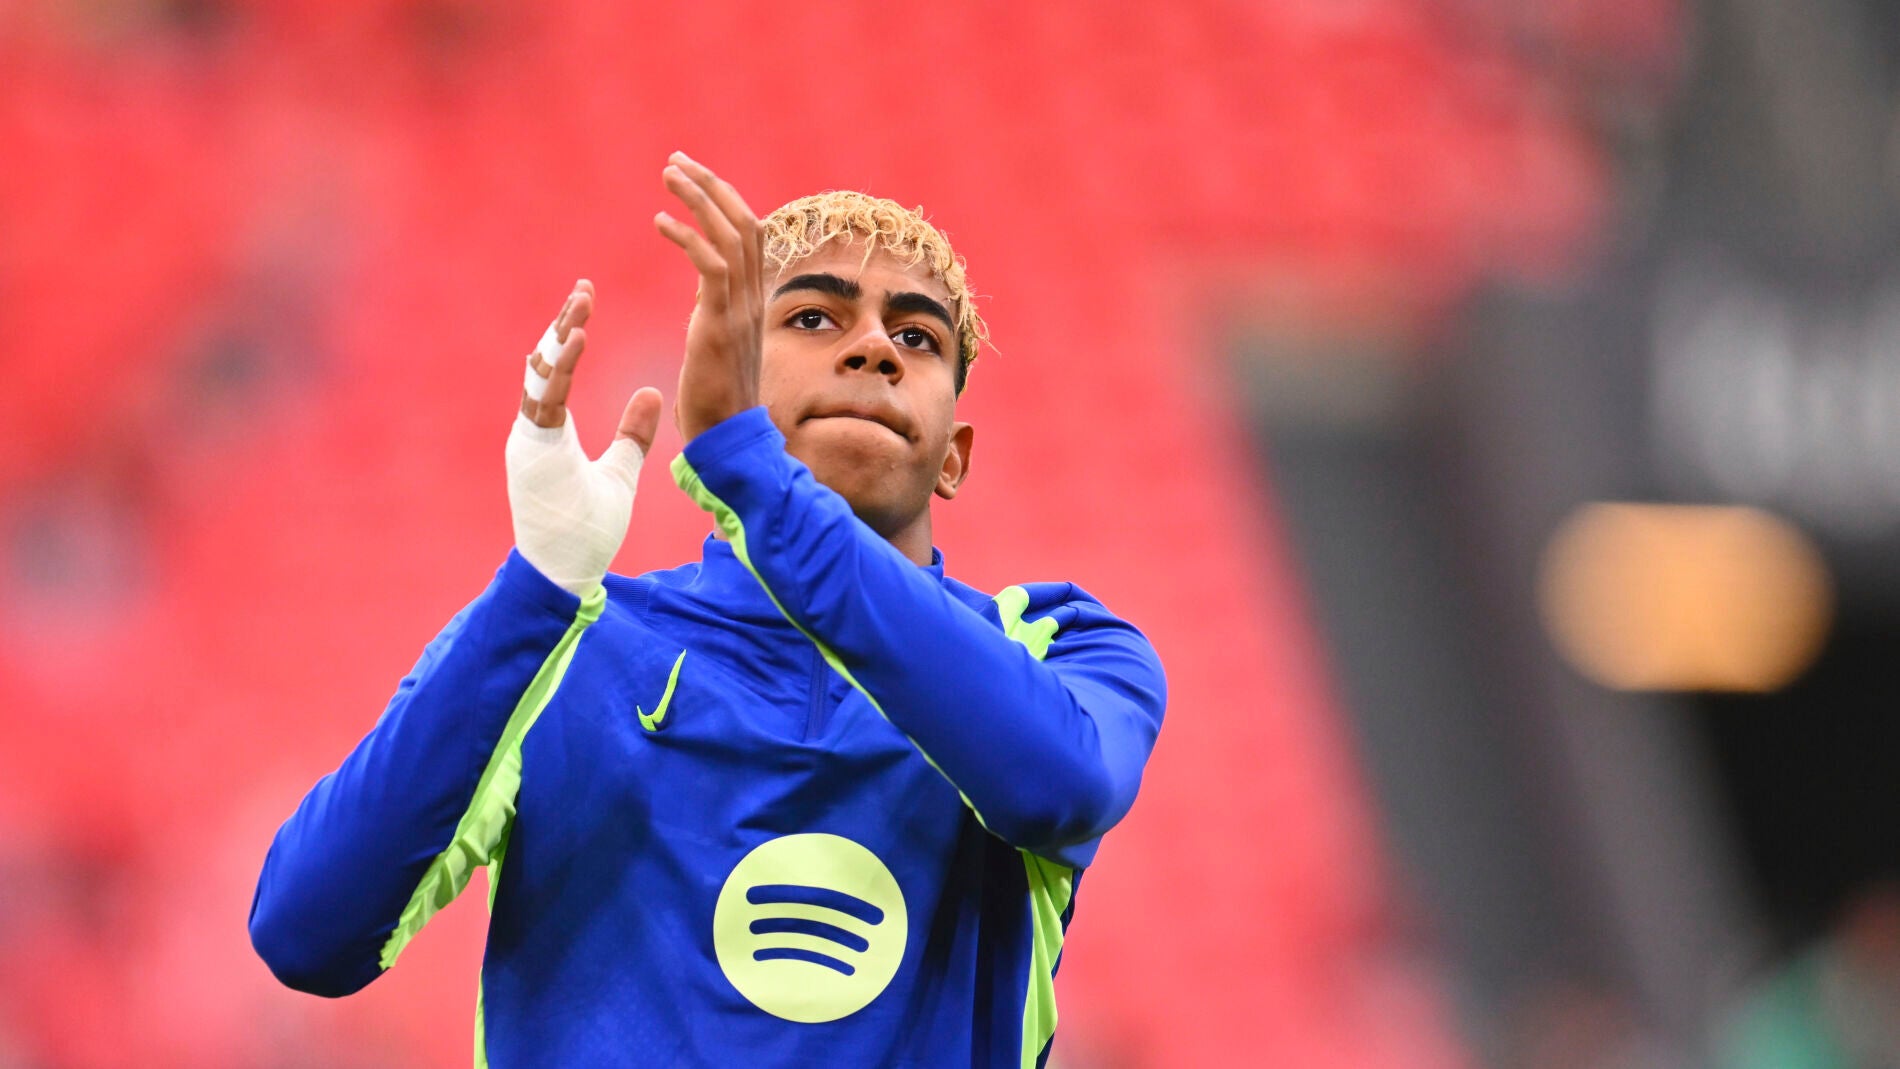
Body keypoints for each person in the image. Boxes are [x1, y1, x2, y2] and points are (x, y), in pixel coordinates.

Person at [249, 151, 1168, 1068]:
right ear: (732, 380)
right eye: (814, 317)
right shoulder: (567, 644)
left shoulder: (1058, 648)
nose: (876, 348)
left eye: (917, 336)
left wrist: (750, 471)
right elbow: (307, 933)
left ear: (955, 456)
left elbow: (1059, 786)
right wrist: (537, 586)